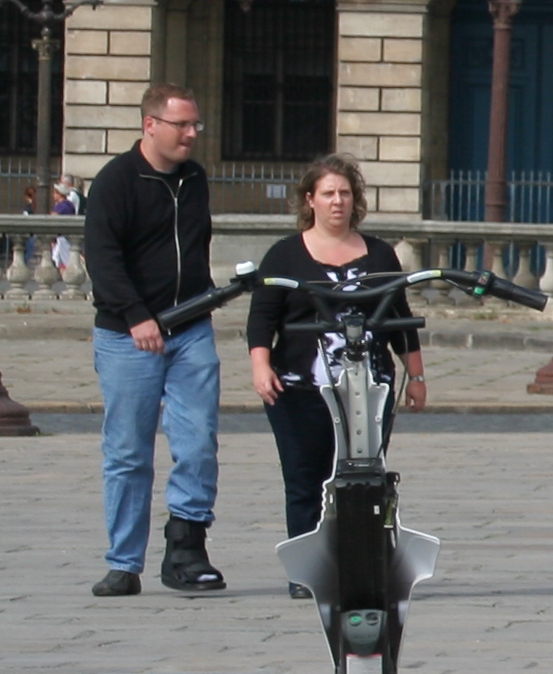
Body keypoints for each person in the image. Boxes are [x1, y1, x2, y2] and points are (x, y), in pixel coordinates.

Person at [248, 156, 425, 595]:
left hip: (369, 387)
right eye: (328, 193)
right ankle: (306, 570)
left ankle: (358, 565)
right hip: (300, 388)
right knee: (305, 477)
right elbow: (262, 317)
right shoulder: (285, 254)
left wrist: (416, 376)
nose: (337, 201)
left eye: (344, 193)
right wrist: (260, 365)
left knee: (362, 480)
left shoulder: (379, 253)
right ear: (310, 200)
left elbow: (399, 317)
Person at [84, 85, 224, 598]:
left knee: (198, 437)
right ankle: (124, 563)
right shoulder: (116, 181)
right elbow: (102, 257)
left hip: (190, 326)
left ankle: (186, 547)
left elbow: (194, 245)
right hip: (129, 335)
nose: (191, 135)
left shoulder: (194, 178)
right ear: (150, 125)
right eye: (181, 125)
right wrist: (136, 315)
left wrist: (206, 295)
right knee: (128, 451)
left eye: (195, 125)